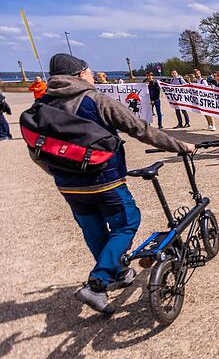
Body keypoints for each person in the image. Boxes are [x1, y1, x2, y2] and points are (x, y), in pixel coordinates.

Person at [39, 53, 194, 313]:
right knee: (126, 222)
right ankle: (97, 284)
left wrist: (60, 173)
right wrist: (181, 146)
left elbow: (37, 150)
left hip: (68, 185)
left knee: (93, 230)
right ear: (80, 75)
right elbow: (141, 129)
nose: (92, 76)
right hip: (104, 179)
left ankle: (117, 272)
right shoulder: (95, 99)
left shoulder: (43, 106)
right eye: (90, 72)